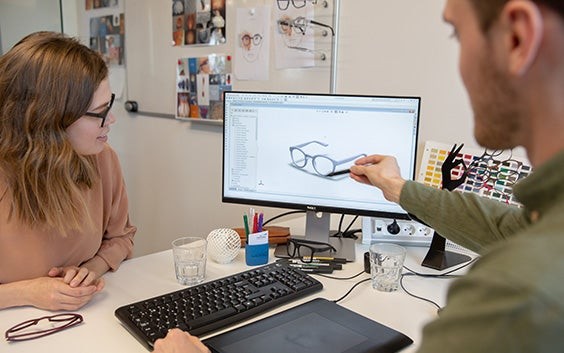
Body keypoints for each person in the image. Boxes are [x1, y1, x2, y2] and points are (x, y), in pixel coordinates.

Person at [150, 0, 564, 352]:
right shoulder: (545, 226)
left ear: (517, 39)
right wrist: (399, 189)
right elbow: (502, 226)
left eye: (457, 35)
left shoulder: (519, 295)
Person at [0, 31, 136, 311]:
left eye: (109, 104)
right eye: (100, 111)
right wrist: (25, 292)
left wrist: (92, 269)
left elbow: (121, 237)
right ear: (49, 119)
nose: (111, 119)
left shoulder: (102, 159)